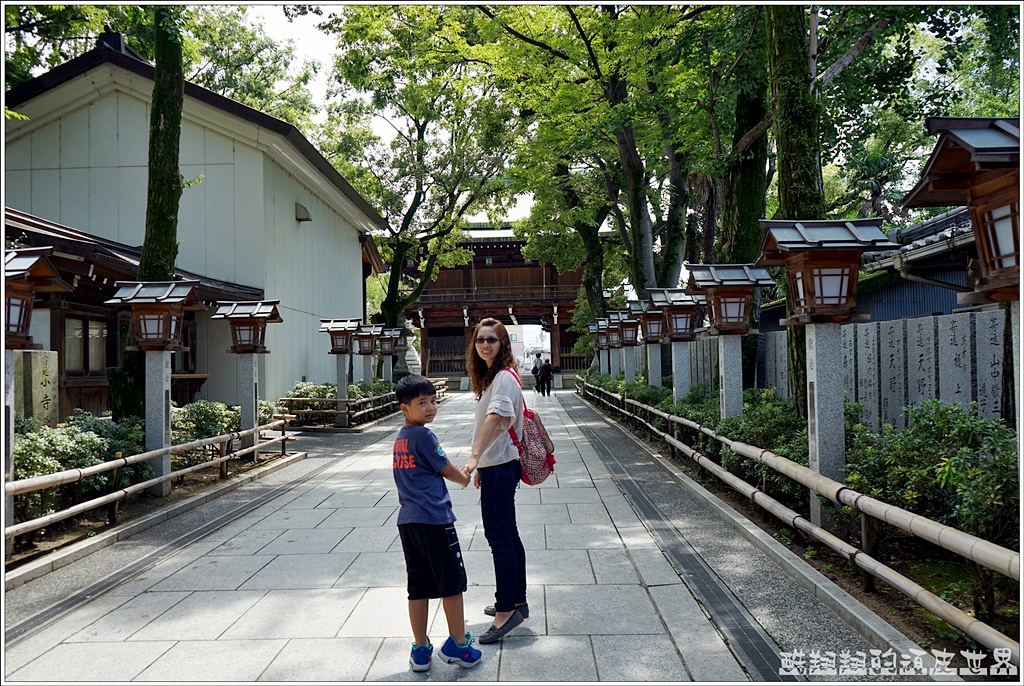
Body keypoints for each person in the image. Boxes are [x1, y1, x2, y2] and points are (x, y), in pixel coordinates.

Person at [392, 374, 482, 671]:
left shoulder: (401, 439)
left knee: (417, 585)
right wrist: (465, 477)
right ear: (405, 408)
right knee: (451, 584)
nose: (431, 407)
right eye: (422, 403)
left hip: (409, 522)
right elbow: (444, 468)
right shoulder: (424, 436)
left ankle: (420, 647)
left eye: (432, 401)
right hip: (435, 520)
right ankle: (458, 643)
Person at [461, 318, 529, 644]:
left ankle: (506, 612)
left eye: (492, 340)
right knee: (509, 536)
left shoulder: (502, 378)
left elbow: (496, 418)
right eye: (480, 340)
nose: (485, 345)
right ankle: (517, 600)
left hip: (500, 468)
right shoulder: (495, 377)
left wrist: (475, 458)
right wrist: (483, 465)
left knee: (499, 538)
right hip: (498, 466)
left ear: (503, 343)